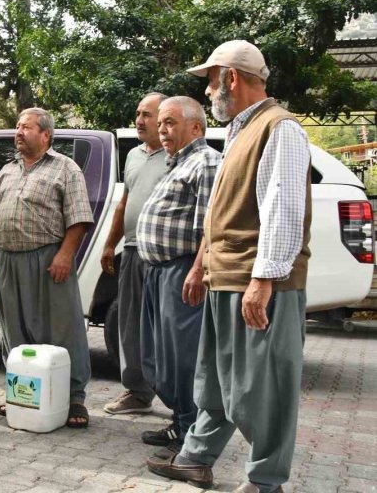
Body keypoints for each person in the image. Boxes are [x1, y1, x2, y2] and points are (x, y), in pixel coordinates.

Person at [147, 40, 311, 493]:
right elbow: (223, 211)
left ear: (232, 78)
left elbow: (283, 207)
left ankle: (265, 482)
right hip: (228, 278)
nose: (209, 90)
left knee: (264, 390)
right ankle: (196, 458)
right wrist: (204, 267)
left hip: (257, 282)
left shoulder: (280, 128)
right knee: (216, 383)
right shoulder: (242, 130)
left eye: (211, 80)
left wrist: (263, 279)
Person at [0, 107, 95, 428]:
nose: (18, 132)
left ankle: (74, 398)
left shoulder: (65, 168)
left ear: (45, 135)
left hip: (48, 260)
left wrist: (65, 255)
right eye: (17, 126)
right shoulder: (7, 170)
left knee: (62, 327)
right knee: (13, 329)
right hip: (8, 260)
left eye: (26, 127)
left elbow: (79, 218)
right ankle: (21, 391)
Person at [134, 97, 220, 451]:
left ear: (196, 127)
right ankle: (180, 421)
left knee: (182, 356)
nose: (162, 130)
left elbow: (210, 228)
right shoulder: (177, 162)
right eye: (161, 123)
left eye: (170, 122)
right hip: (158, 271)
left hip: (183, 270)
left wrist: (197, 270)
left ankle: (189, 431)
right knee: (161, 356)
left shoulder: (206, 161)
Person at [102, 93, 168, 415]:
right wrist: (109, 243)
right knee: (129, 325)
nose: (139, 120)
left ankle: (179, 401)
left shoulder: (176, 156)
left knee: (166, 327)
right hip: (131, 251)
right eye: (138, 114)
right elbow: (124, 204)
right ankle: (138, 393)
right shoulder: (133, 156)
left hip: (165, 256)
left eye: (147, 115)